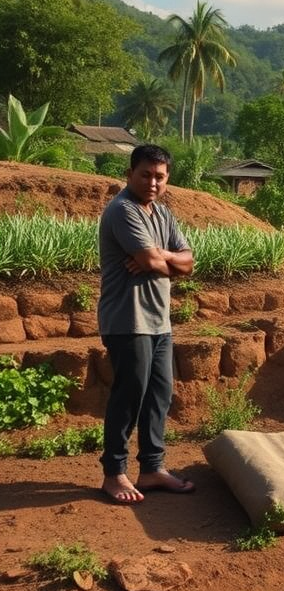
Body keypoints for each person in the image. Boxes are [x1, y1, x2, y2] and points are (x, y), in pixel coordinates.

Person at [98, 144, 196, 503]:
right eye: (145, 175)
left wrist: (161, 256)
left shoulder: (163, 214)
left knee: (159, 394)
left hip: (158, 321)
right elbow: (155, 262)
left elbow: (188, 263)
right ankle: (114, 473)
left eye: (160, 177)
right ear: (130, 174)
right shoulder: (122, 210)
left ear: (167, 179)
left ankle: (152, 468)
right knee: (129, 395)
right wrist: (161, 261)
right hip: (128, 320)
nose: (152, 183)